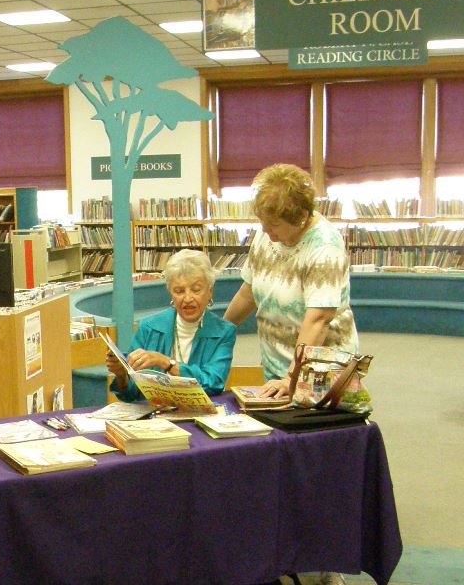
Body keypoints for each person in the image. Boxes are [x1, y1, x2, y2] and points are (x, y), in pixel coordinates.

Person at [223, 164, 358, 585]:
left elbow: (317, 320)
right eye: (262, 223)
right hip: (277, 365)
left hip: (324, 371)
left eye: (274, 224)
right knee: (283, 464)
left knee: (323, 469)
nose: (266, 232)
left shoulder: (324, 247)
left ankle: (329, 560)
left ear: (299, 217)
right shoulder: (268, 237)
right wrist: (217, 334)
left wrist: (296, 378)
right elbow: (249, 291)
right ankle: (284, 549)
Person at [106, 249, 236, 401]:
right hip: (155, 418)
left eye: (196, 290)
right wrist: (122, 375)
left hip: (198, 417)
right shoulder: (148, 327)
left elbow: (213, 383)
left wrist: (165, 362)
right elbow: (133, 394)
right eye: (179, 291)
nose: (187, 298)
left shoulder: (224, 332)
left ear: (210, 291)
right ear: (171, 294)